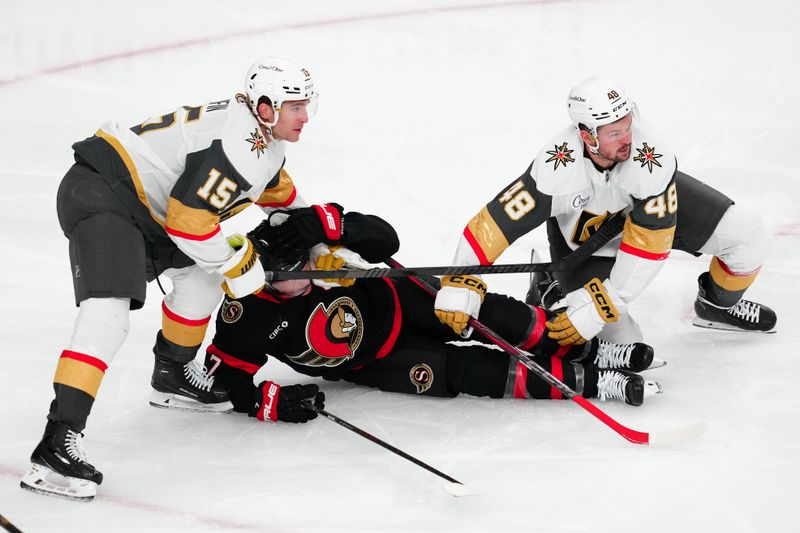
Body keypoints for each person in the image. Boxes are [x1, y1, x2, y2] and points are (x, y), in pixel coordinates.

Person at [20, 57, 346, 501]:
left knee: (200, 283)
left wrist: (323, 250)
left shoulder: (262, 141)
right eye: (295, 107)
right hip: (106, 194)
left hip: (147, 210)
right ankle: (56, 444)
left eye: (307, 105)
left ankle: (171, 375)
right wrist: (238, 266)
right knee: (108, 317)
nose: (305, 117)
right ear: (266, 108)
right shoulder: (240, 146)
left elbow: (285, 203)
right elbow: (188, 223)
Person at [198, 207, 661, 428]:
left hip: (402, 299)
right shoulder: (243, 314)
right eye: (293, 272)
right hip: (379, 361)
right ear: (261, 275)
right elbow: (228, 380)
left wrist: (326, 225)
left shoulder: (315, 243)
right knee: (472, 370)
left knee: (493, 312)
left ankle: (593, 348)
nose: (309, 274)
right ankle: (594, 382)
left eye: (308, 262)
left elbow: (387, 238)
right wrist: (271, 404)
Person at [433, 76, 776, 349]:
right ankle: (551, 285)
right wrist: (460, 276)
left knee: (749, 237)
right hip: (587, 244)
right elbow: (497, 221)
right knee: (624, 347)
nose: (627, 137)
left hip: (647, 222)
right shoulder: (557, 166)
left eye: (627, 125)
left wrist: (603, 301)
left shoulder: (649, 157)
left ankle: (715, 306)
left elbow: (649, 247)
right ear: (586, 136)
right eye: (614, 133)